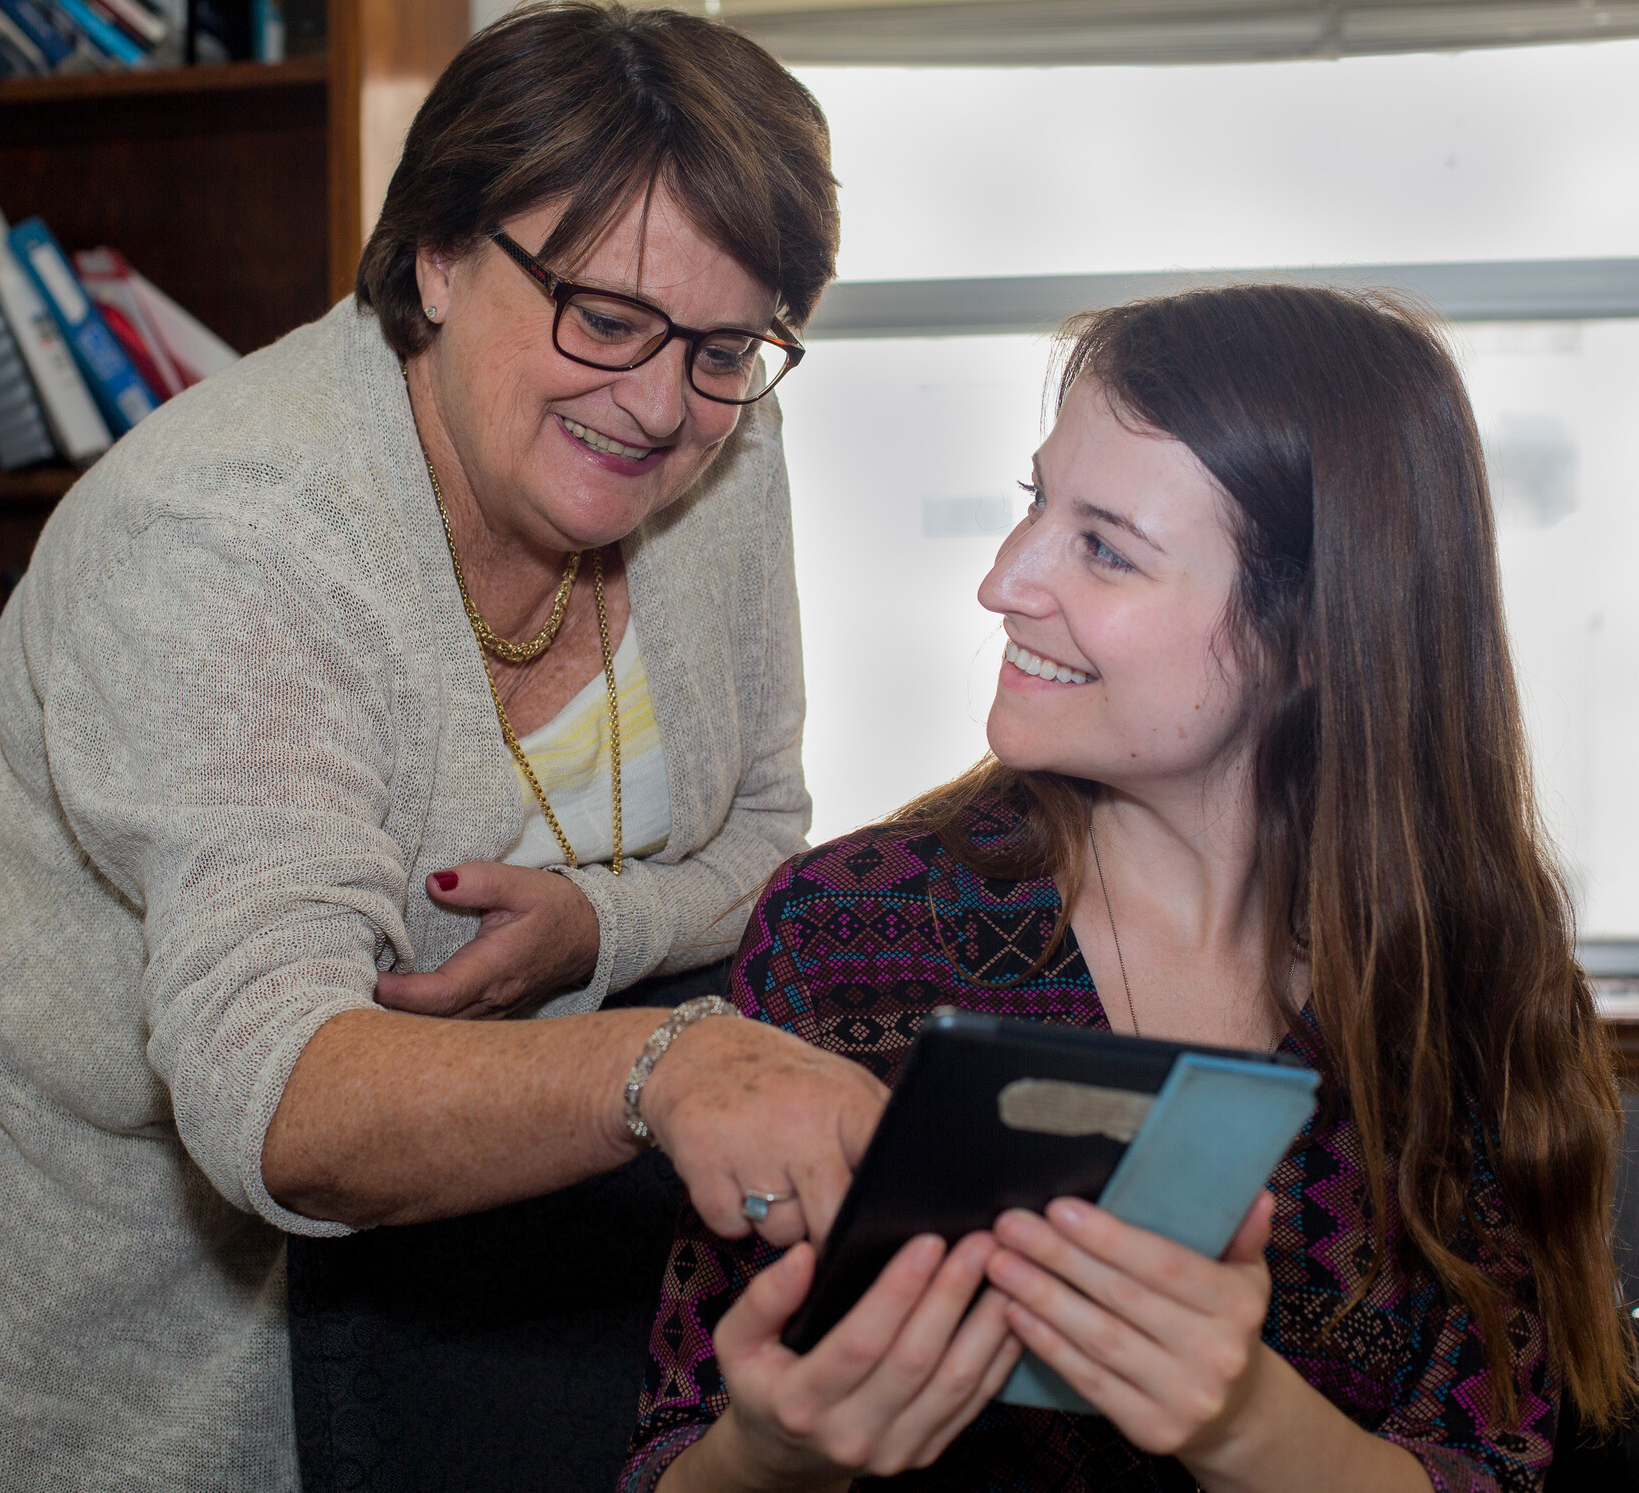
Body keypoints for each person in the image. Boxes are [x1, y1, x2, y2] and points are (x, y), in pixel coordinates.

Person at [0, 1, 890, 1491]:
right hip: (102, 1316)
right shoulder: (231, 535)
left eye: (726, 344)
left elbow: (760, 828)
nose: (659, 402)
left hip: (462, 1276)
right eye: (602, 319)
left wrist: (593, 928)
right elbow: (277, 1088)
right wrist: (666, 1062)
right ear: (435, 251)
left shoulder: (719, 433)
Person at [622, 285, 1635, 1493]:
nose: (1004, 580)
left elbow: (1492, 1463)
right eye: (1033, 505)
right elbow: (675, 1454)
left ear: (1314, 637)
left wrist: (1246, 1426)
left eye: (1104, 547)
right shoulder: (848, 931)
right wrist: (772, 1455)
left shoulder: (1472, 985)